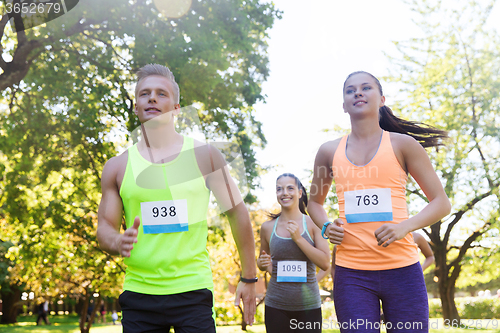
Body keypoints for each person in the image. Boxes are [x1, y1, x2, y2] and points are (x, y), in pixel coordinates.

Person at [96, 64, 257, 332]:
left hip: (192, 290)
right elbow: (105, 228)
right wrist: (117, 241)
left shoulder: (205, 156)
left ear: (176, 107)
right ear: (136, 106)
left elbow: (237, 213)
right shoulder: (117, 167)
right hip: (139, 293)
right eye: (144, 94)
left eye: (161, 93)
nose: (152, 98)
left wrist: (249, 277)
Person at [308, 71, 451, 332]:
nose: (358, 93)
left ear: (382, 99)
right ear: (343, 105)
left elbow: (441, 202)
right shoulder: (328, 151)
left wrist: (405, 226)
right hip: (352, 274)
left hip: (403, 270)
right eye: (350, 90)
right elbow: (314, 204)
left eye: (366, 88)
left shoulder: (403, 144)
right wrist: (327, 227)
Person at [257, 173, 331, 333]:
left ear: (299, 193)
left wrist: (299, 239)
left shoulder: (314, 224)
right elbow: (263, 261)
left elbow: (325, 263)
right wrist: (263, 265)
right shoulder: (267, 227)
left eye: (290, 188)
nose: (284, 192)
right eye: (279, 189)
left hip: (309, 308)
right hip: (276, 306)